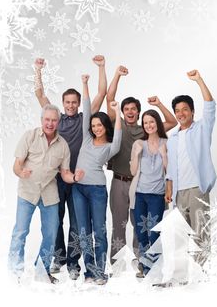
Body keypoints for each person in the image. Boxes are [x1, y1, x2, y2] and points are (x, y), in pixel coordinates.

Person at [34, 56, 107, 280]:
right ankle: (59, 257)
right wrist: (38, 70)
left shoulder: (86, 119)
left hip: (78, 181)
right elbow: (40, 95)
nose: (72, 105)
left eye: (75, 102)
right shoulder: (58, 120)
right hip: (56, 179)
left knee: (76, 224)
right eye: (68, 102)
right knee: (55, 220)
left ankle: (73, 263)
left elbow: (101, 94)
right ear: (63, 104)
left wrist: (101, 67)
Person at [107, 67, 177, 264]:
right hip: (119, 182)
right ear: (121, 112)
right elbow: (109, 96)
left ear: (138, 112)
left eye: (133, 109)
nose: (130, 112)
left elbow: (171, 121)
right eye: (126, 109)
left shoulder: (146, 129)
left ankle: (141, 261)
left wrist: (159, 104)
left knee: (140, 225)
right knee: (119, 225)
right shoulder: (116, 126)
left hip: (141, 184)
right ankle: (117, 263)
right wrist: (117, 75)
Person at [8, 104, 84, 284]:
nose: (50, 123)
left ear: (59, 122)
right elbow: (16, 165)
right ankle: (15, 271)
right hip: (27, 191)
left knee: (50, 233)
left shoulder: (63, 145)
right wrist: (21, 173)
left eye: (54, 120)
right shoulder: (30, 136)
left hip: (49, 194)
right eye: (47, 119)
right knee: (20, 231)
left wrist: (74, 177)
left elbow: (64, 173)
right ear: (42, 120)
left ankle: (41, 271)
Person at [72, 74, 122, 285]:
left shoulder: (110, 146)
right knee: (84, 233)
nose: (95, 128)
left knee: (99, 232)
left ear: (105, 126)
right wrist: (84, 84)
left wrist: (117, 111)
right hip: (78, 189)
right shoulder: (86, 137)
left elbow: (118, 137)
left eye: (99, 125)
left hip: (97, 190)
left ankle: (100, 272)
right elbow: (86, 110)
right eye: (93, 125)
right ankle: (89, 273)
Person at [165, 70, 216, 268]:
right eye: (177, 110)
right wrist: (169, 188)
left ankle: (201, 273)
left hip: (197, 188)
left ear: (192, 112)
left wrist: (199, 80)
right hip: (179, 192)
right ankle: (184, 274)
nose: (180, 113)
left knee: (200, 233)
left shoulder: (202, 129)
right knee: (181, 233)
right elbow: (170, 168)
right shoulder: (173, 138)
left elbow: (210, 107)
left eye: (185, 109)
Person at [129, 101, 177, 277]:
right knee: (141, 232)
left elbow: (169, 171)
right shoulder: (138, 144)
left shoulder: (166, 142)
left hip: (157, 195)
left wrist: (164, 155)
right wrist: (135, 154)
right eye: (145, 122)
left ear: (157, 123)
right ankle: (145, 266)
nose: (148, 125)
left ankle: (155, 267)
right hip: (140, 194)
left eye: (151, 122)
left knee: (155, 232)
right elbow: (133, 171)